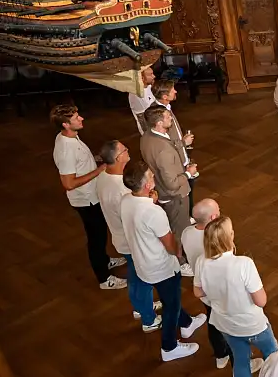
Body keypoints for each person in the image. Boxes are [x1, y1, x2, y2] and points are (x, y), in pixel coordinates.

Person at [121, 160, 206, 361]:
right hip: (161, 266)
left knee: (170, 298)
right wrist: (181, 255)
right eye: (151, 176)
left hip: (143, 263)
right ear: (147, 185)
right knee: (172, 305)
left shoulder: (126, 200)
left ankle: (186, 324)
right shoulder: (153, 212)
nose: (154, 178)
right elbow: (169, 244)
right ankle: (169, 347)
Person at [193, 216, 275, 377]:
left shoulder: (201, 262)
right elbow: (261, 301)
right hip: (254, 325)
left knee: (240, 361)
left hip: (226, 325)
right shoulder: (243, 264)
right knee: (273, 356)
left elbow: (198, 292)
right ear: (228, 238)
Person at [50, 104, 126, 291]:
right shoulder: (66, 149)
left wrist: (92, 160)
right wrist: (99, 169)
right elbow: (68, 183)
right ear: (66, 125)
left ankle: (105, 260)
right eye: (76, 118)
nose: (81, 118)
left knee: (99, 233)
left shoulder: (69, 138)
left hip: (92, 196)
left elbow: (78, 164)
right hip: (86, 201)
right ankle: (103, 278)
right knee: (96, 237)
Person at [96, 140, 160, 330]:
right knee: (143, 278)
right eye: (124, 150)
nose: (128, 151)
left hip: (120, 238)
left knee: (134, 276)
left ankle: (141, 308)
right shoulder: (122, 189)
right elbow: (136, 217)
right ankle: (149, 319)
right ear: (118, 158)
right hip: (132, 241)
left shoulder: (103, 177)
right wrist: (151, 202)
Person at [140, 105, 198, 278]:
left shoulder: (147, 137)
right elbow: (172, 183)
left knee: (176, 225)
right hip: (175, 196)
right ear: (159, 123)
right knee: (179, 229)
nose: (171, 118)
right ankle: (181, 263)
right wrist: (188, 173)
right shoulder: (163, 150)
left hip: (162, 189)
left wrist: (181, 144)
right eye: (167, 117)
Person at [182, 198, 234, 368]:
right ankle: (239, 361)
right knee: (230, 328)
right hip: (219, 292)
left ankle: (220, 355)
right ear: (212, 218)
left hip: (203, 291)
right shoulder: (215, 241)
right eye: (218, 211)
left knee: (213, 323)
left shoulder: (186, 233)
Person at [151, 79, 196, 213]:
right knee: (183, 191)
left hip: (181, 156)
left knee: (189, 190)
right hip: (176, 162)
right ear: (165, 96)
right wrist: (183, 143)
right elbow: (164, 142)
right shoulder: (159, 115)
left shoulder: (166, 108)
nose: (175, 91)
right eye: (172, 90)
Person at [128, 66, 156, 134]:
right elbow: (144, 118)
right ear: (142, 77)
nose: (154, 76)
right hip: (149, 128)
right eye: (150, 74)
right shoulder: (137, 93)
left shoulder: (148, 87)